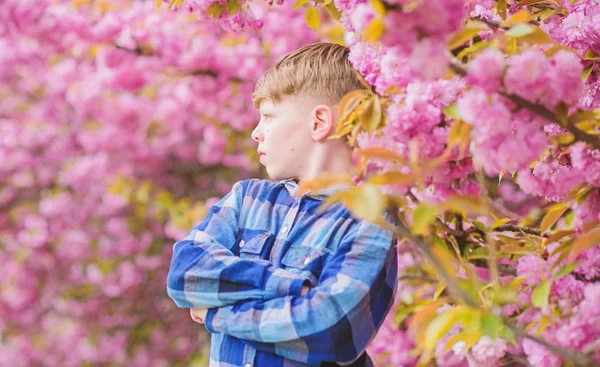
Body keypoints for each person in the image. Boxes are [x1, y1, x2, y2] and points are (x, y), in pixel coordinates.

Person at [166, 42, 398, 367]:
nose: (255, 133)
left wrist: (217, 316)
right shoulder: (248, 199)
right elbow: (185, 273)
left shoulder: (368, 221)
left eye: (268, 117)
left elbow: (331, 331)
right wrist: (291, 287)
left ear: (319, 123)